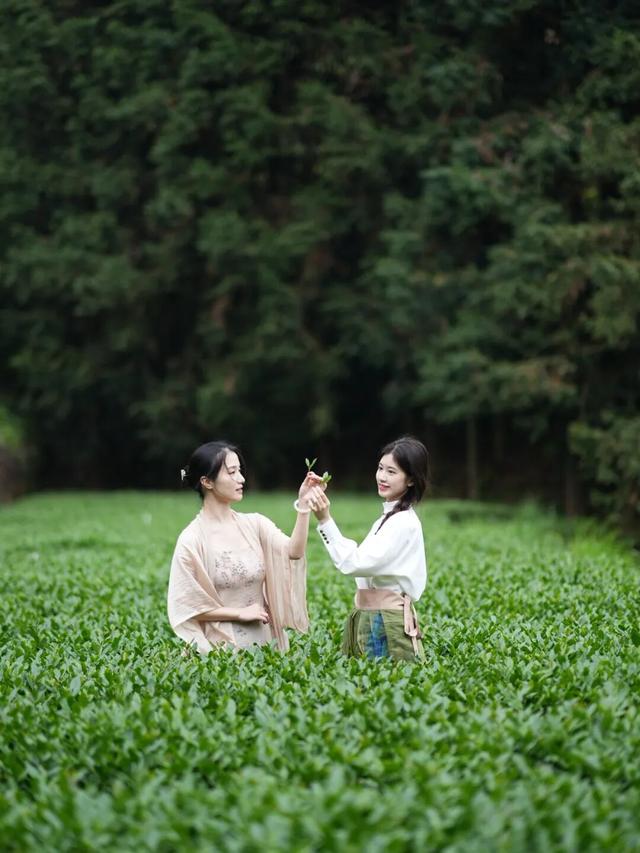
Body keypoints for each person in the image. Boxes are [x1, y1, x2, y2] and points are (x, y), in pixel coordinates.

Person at [167, 440, 326, 654]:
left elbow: (293, 552)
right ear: (207, 481)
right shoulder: (191, 540)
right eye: (231, 472)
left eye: (239, 471)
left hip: (267, 640)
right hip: (220, 647)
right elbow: (187, 606)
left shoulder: (255, 524)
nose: (241, 479)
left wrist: (304, 505)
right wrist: (238, 613)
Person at [309, 436, 430, 661]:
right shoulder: (389, 518)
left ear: (411, 480)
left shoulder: (402, 523)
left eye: (392, 472)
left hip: (386, 620)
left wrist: (325, 520)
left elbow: (355, 563)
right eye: (380, 468)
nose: (382, 477)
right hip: (372, 616)